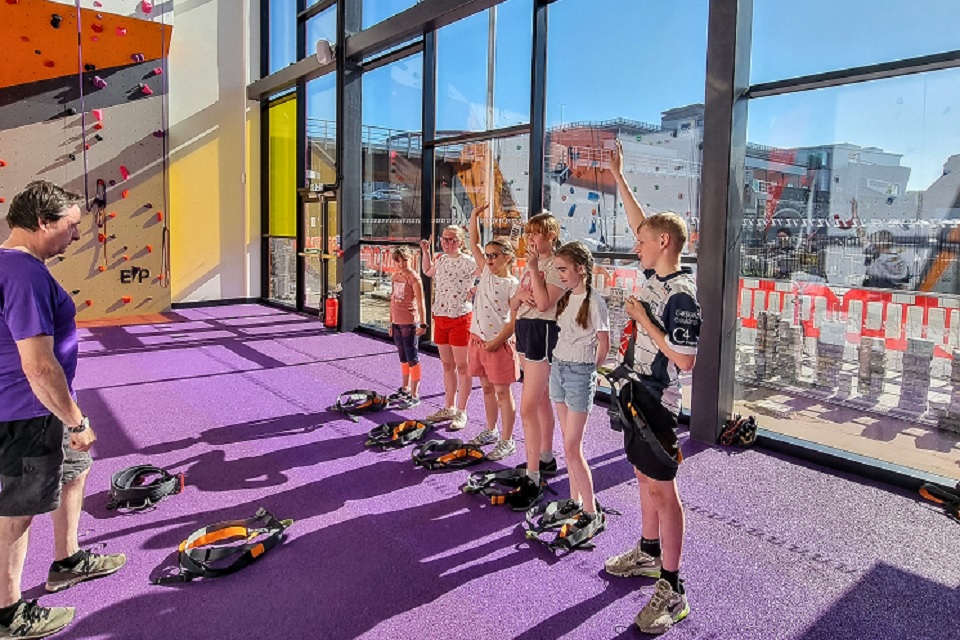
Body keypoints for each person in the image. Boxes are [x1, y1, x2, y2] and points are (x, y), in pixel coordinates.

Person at [0, 181, 126, 639]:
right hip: (27, 409)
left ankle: (67, 560)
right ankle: (8, 613)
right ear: (42, 223)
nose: (75, 236)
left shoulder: (12, 264)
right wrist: (76, 418)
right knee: (19, 509)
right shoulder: (25, 274)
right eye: (70, 227)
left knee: (75, 469)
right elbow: (37, 364)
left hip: (41, 405)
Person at [605, 142, 702, 635]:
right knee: (643, 481)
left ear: (664, 241)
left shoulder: (680, 294)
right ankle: (647, 553)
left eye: (643, 241)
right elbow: (639, 219)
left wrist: (643, 320)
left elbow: (686, 358)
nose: (635, 245)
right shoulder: (653, 273)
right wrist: (621, 178)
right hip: (635, 393)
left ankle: (673, 586)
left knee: (664, 490)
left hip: (660, 403)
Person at [548, 241, 610, 538]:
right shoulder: (565, 298)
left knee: (573, 448)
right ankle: (574, 501)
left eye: (563, 269)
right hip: (558, 368)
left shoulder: (595, 302)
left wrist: (593, 371)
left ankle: (590, 509)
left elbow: (604, 344)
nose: (559, 275)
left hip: (579, 373)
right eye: (558, 269)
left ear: (580, 269)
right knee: (567, 443)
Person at [508, 212, 566, 508]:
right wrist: (519, 296)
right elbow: (515, 302)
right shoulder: (532, 265)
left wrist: (531, 273)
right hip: (526, 330)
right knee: (540, 401)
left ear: (551, 236)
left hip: (543, 333)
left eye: (536, 234)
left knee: (528, 407)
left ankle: (533, 476)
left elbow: (544, 303)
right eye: (529, 234)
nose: (530, 239)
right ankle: (545, 457)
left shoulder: (556, 265)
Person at [465, 203, 521, 462]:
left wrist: (496, 342)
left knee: (502, 392)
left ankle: (507, 440)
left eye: (494, 255)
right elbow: (473, 242)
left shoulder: (513, 285)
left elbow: (513, 322)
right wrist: (474, 216)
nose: (488, 259)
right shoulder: (485, 272)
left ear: (507, 258)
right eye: (487, 255)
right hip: (477, 341)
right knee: (486, 388)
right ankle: (490, 429)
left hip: (498, 345)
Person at [419, 226, 477, 431]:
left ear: (461, 242)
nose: (447, 243)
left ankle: (462, 410)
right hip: (441, 315)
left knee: (463, 366)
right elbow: (427, 272)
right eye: (444, 239)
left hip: (460, 316)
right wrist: (426, 252)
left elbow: (491, 273)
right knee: (447, 365)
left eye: (452, 239)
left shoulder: (469, 261)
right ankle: (449, 406)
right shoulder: (441, 259)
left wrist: (476, 289)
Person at [387, 246, 427, 410]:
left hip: (409, 322)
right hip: (397, 322)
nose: (402, 264)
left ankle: (415, 394)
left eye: (405, 260)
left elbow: (420, 302)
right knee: (403, 357)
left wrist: (423, 323)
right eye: (399, 261)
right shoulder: (395, 276)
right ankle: (405, 388)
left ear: (411, 259)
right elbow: (392, 300)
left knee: (412, 357)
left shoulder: (414, 278)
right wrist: (390, 322)